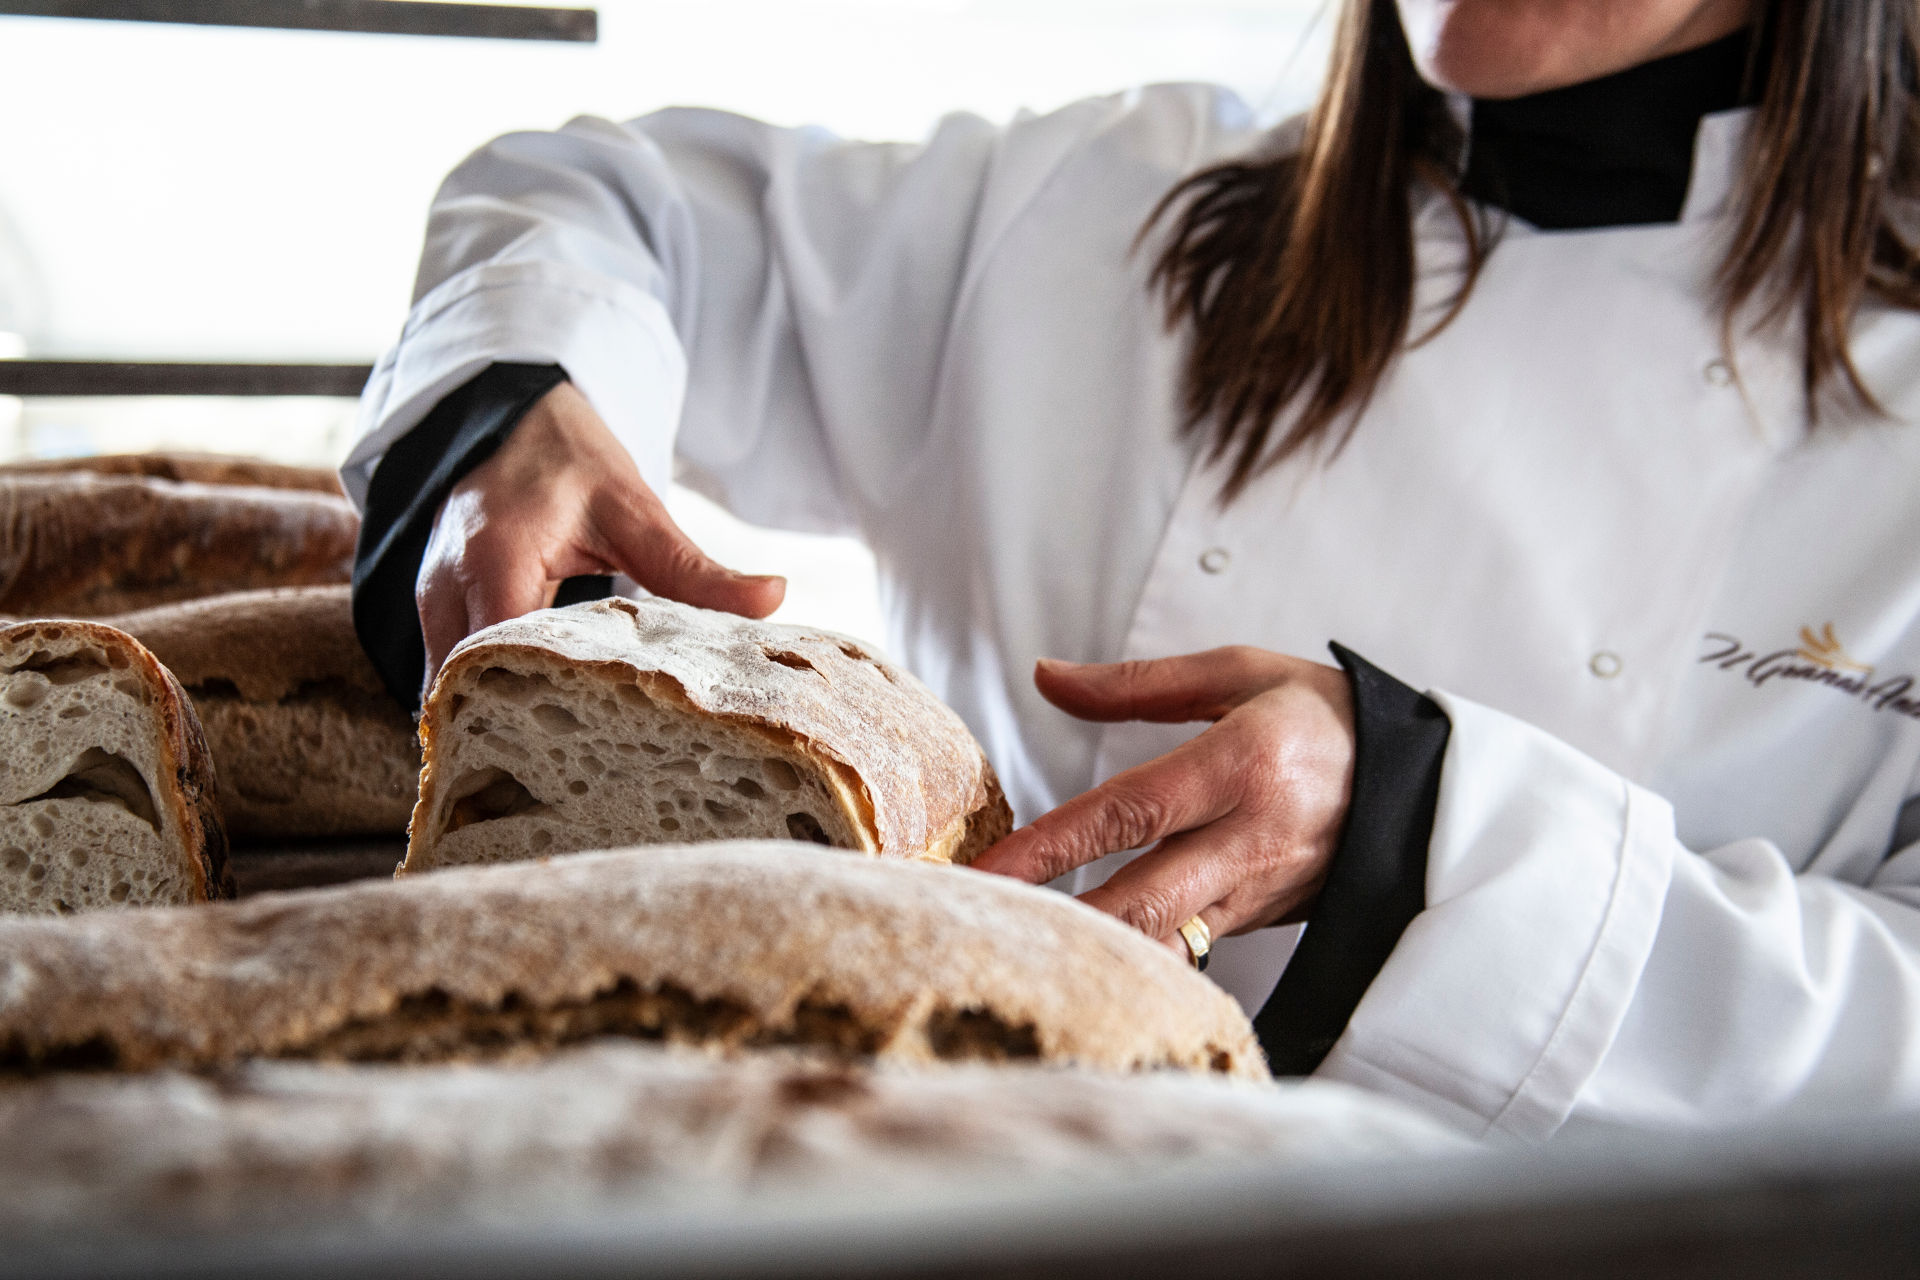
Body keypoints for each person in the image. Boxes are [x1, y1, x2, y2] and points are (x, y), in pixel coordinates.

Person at [344, 0, 1920, 1141]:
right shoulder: (1099, 209)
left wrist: (1425, 828)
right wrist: (517, 399)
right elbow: (597, 200)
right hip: (926, 1198)